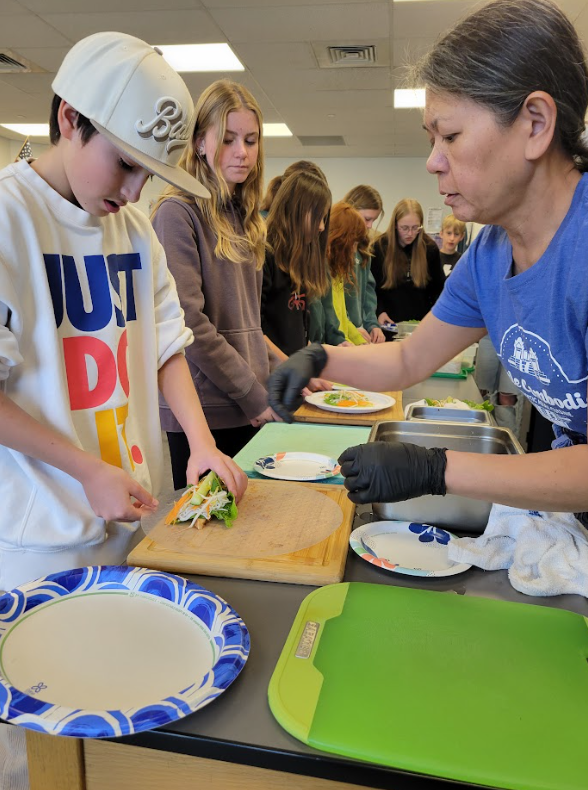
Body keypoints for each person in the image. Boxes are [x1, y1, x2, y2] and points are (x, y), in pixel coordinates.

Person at [0, 32, 247, 790]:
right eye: (128, 164)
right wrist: (85, 470)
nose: (136, 191)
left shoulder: (133, 227)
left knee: (129, 748)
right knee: (46, 756)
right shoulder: (9, 218)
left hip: (137, 517)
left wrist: (201, 444)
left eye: (151, 173)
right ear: (69, 119)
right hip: (45, 537)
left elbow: (166, 344)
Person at [267, 0, 588, 529]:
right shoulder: (489, 257)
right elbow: (408, 361)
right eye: (431, 139)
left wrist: (436, 468)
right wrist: (319, 357)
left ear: (535, 123)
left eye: (451, 136)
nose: (433, 160)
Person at [151, 79, 279, 489]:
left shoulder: (246, 218)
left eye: (251, 139)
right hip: (204, 411)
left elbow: (249, 324)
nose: (243, 152)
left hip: (245, 401)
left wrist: (289, 367)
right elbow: (189, 323)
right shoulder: (177, 213)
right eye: (228, 139)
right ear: (201, 143)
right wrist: (252, 395)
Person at [262, 171, 332, 358]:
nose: (321, 227)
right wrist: (291, 369)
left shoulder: (299, 257)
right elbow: (255, 333)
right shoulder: (264, 254)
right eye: (318, 217)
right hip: (272, 376)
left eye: (324, 219)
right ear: (296, 212)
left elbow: (300, 332)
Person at [370, 198, 445, 327]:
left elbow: (438, 289)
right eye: (404, 228)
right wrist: (379, 311)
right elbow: (372, 288)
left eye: (415, 228)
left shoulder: (430, 248)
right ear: (395, 225)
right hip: (388, 323)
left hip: (420, 325)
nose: (410, 233)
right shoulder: (379, 247)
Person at [342, 185, 386, 343]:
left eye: (373, 220)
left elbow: (368, 294)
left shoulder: (363, 251)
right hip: (342, 335)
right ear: (351, 210)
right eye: (367, 219)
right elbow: (333, 301)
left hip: (358, 333)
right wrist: (352, 329)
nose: (369, 226)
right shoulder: (334, 249)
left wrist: (372, 324)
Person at [325, 202, 371, 346]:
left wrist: (359, 341)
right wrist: (345, 343)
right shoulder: (324, 271)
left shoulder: (337, 271)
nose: (353, 250)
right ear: (341, 240)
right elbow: (330, 320)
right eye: (353, 244)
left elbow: (343, 318)